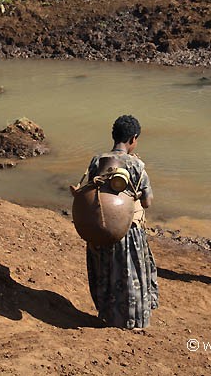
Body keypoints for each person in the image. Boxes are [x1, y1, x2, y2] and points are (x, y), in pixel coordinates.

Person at [85, 115, 159, 329]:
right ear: (133, 139)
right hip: (127, 230)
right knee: (129, 274)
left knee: (104, 271)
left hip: (100, 226)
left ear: (113, 136)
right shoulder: (136, 164)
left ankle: (106, 314)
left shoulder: (97, 160)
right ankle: (132, 321)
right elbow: (147, 202)